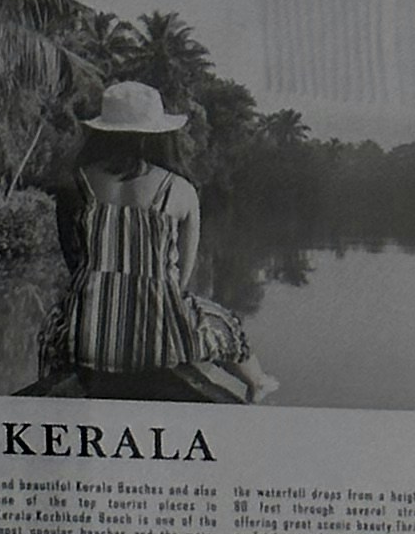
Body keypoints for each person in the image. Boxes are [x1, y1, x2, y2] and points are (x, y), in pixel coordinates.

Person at [36, 78, 274, 404]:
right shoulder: (181, 190)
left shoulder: (73, 186)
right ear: (158, 134)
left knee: (53, 327)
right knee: (222, 323)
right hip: (160, 342)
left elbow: (75, 263)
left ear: (102, 132)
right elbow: (180, 278)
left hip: (88, 338)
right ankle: (258, 382)